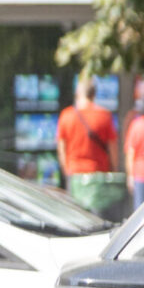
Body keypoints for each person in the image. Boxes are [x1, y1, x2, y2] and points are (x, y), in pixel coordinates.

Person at [56, 77, 125, 216]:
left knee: (76, 216)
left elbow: (61, 147)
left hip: (74, 175)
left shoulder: (66, 115)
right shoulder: (104, 115)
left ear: (77, 94)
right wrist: (114, 169)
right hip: (98, 175)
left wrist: (66, 170)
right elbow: (113, 149)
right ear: (94, 94)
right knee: (97, 218)